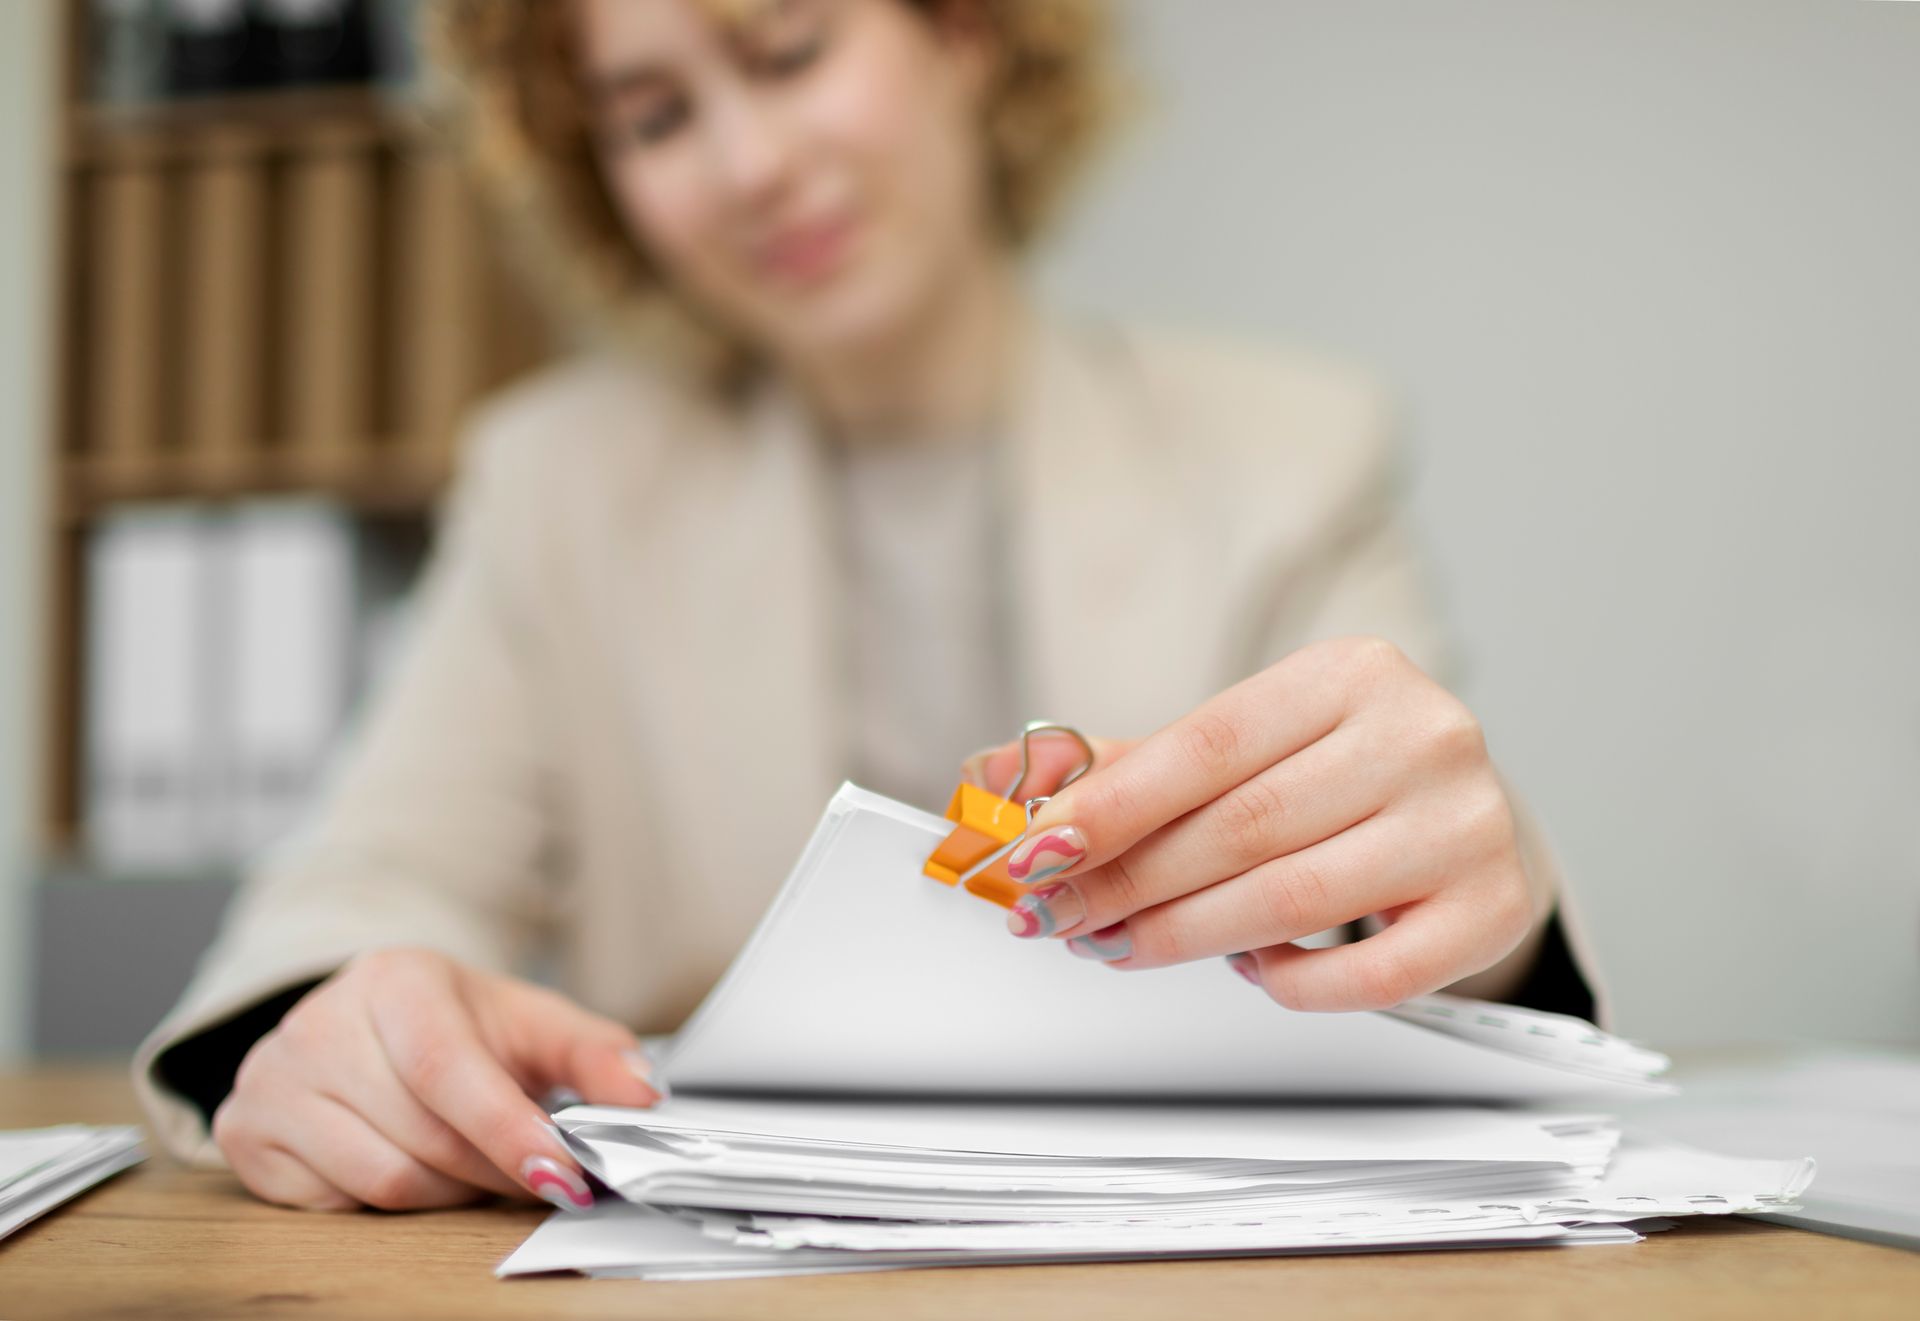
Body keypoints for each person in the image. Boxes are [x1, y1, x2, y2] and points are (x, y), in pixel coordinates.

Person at [134, 0, 1602, 1215]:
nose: (749, 164)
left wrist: (1480, 902)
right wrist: (336, 1027)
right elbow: (360, 890)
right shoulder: (553, 486)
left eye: (787, 51)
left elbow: (1433, 923)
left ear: (966, 32)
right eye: (653, 117)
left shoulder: (1293, 450)